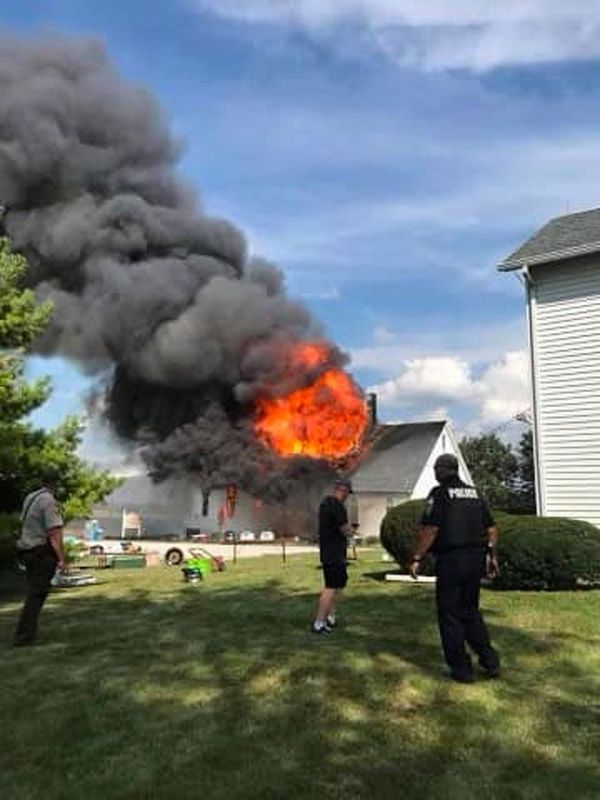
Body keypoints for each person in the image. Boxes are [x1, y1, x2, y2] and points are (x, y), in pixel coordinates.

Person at [409, 454, 501, 683]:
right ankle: (490, 661)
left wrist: (417, 557)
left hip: (452, 560)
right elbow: (491, 529)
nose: (434, 473)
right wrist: (491, 554)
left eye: (435, 468)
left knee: (449, 615)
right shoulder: (475, 493)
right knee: (470, 611)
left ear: (442, 470)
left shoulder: (439, 494)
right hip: (475, 559)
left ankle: (461, 669)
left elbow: (431, 530)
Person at [13, 472, 65, 647]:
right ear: (55, 485)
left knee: (34, 593)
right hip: (40, 553)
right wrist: (61, 559)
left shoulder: (31, 497)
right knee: (36, 595)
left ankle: (27, 632)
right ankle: (24, 636)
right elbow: (54, 532)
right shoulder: (49, 501)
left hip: (26, 551)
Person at [312, 478, 353, 634]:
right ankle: (319, 622)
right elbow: (344, 529)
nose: (348, 496)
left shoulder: (325, 504)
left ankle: (330, 618)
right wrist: (352, 532)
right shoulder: (337, 506)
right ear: (342, 490)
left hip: (328, 552)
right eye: (348, 492)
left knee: (337, 586)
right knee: (331, 587)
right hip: (335, 553)